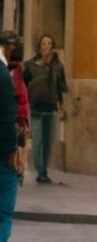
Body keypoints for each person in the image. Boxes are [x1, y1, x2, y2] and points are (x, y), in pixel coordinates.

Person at [24, 33, 68, 184]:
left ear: (52, 47)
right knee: (37, 140)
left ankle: (44, 170)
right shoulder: (30, 65)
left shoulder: (58, 66)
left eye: (49, 43)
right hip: (35, 108)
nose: (45, 46)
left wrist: (60, 103)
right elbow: (24, 85)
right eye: (43, 43)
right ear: (39, 47)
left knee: (48, 141)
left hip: (51, 108)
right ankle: (40, 172)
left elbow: (61, 87)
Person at [0, 38, 21, 242]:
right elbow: (7, 118)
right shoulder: (2, 74)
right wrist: (11, 152)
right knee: (3, 214)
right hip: (1, 159)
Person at [2, 32, 28, 185]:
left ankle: (18, 171)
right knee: (15, 147)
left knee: (19, 146)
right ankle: (16, 172)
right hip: (13, 115)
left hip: (17, 115)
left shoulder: (17, 70)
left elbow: (22, 94)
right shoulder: (9, 70)